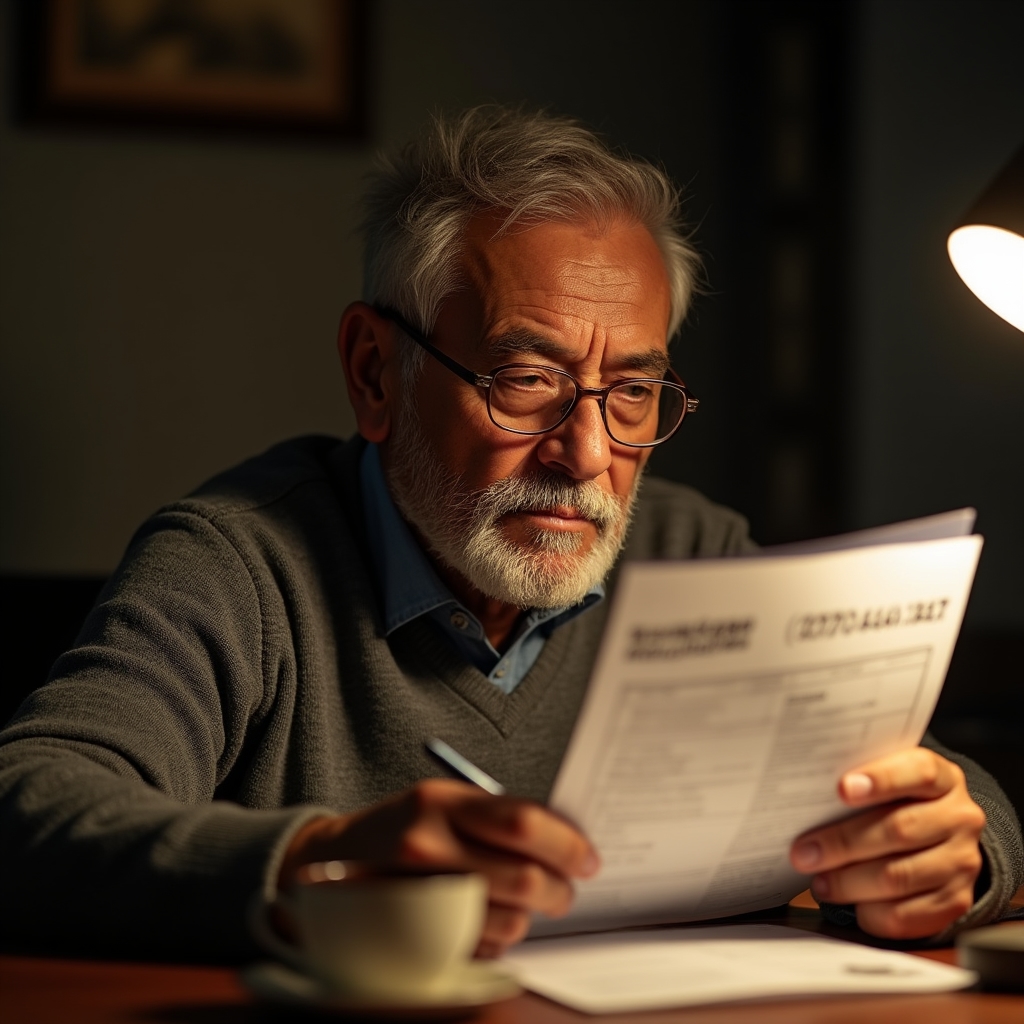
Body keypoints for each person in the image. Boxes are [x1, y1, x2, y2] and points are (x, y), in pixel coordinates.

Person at [0, 107, 1020, 962]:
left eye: (631, 391)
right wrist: (319, 864)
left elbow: (947, 794)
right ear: (374, 373)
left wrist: (951, 854)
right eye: (525, 380)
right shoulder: (242, 560)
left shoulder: (693, 551)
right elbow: (27, 806)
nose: (586, 453)